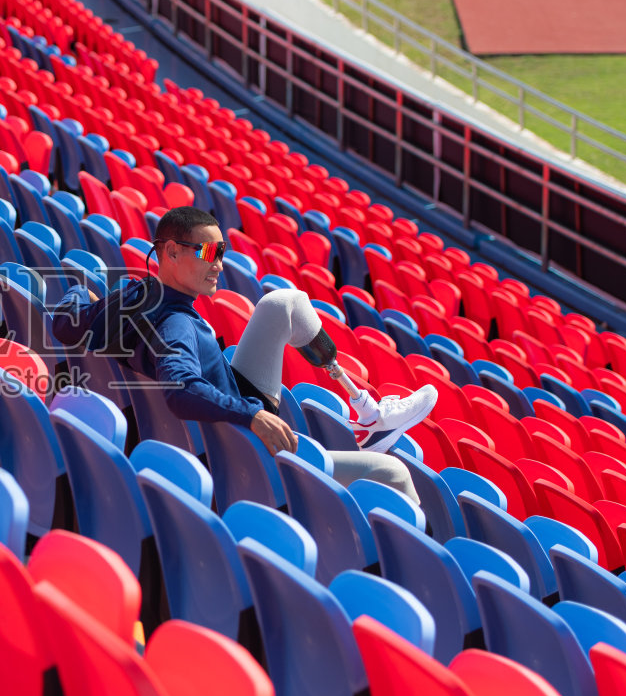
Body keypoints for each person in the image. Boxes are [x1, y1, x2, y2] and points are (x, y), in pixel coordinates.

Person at [52, 206, 437, 501]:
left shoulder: (128, 298)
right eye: (207, 251)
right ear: (170, 252)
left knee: (282, 302)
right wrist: (252, 415)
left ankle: (367, 410)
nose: (219, 263)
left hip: (220, 420)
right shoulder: (176, 324)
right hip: (246, 447)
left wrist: (85, 297)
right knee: (395, 473)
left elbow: (63, 321)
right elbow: (180, 388)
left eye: (222, 250)